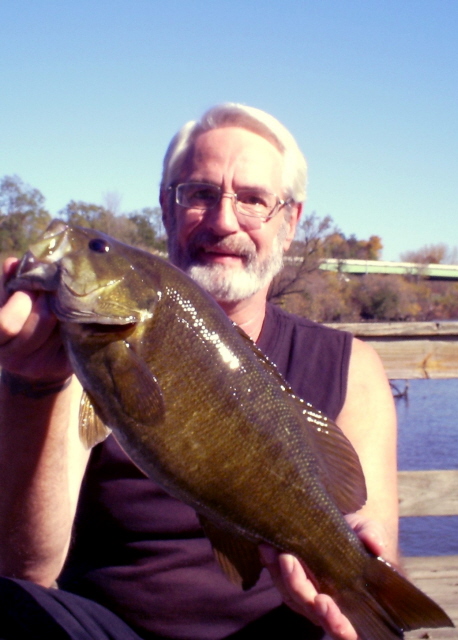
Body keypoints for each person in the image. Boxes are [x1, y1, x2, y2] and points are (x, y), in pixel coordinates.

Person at [0, 104, 398, 639]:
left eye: (253, 199)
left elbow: (376, 551)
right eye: (199, 195)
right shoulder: (70, 354)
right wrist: (33, 384)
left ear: (290, 222)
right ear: (167, 208)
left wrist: (357, 565)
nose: (223, 221)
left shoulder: (351, 367)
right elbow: (25, 569)